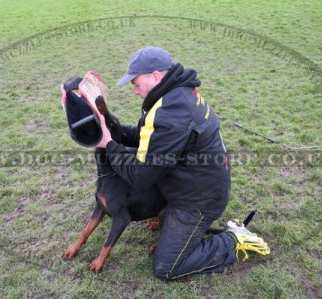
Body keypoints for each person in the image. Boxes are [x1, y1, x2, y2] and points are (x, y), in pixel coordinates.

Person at [95, 47, 269, 280]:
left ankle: (233, 239)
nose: (135, 91)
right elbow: (151, 137)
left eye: (136, 84)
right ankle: (177, 223)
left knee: (167, 267)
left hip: (199, 201)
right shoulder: (175, 96)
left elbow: (140, 177)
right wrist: (113, 129)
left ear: (155, 76)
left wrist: (109, 144)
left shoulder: (171, 113)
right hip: (196, 182)